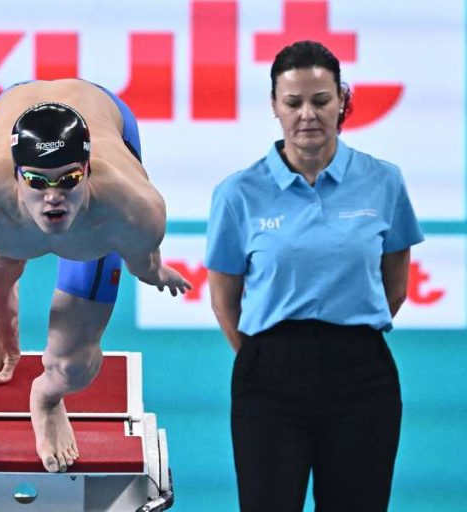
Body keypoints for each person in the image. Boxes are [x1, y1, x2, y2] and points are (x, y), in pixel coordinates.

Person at [205, 41, 423, 511]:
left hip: (362, 378)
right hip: (268, 381)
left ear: (342, 101)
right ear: (274, 107)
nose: (308, 114)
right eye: (294, 102)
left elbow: (396, 285)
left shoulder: (384, 181)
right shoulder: (238, 193)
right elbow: (225, 298)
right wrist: (267, 357)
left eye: (321, 100)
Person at [0, 79, 191, 473]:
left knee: (74, 363)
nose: (53, 196)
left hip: (104, 115)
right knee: (0, 256)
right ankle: (3, 311)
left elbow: (145, 262)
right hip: (11, 120)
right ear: (17, 174)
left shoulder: (131, 208)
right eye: (37, 181)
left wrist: (154, 272)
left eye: (68, 179)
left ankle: (47, 398)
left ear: (87, 169)